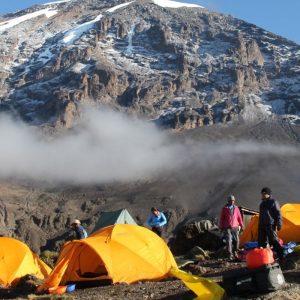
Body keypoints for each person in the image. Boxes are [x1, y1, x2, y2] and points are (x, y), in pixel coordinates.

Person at [258, 187, 284, 259]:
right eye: (262, 194)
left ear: (269, 194)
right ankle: (263, 259)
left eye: (264, 193)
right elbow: (260, 216)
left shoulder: (273, 202)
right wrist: (259, 226)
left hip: (271, 224)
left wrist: (279, 223)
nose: (263, 195)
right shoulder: (262, 204)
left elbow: (278, 213)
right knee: (261, 242)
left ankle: (281, 256)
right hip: (262, 225)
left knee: (274, 241)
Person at [219, 195, 244, 260]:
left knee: (237, 240)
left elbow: (239, 217)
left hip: (235, 227)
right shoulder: (224, 208)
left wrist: (242, 225)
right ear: (228, 201)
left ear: (234, 201)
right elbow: (221, 218)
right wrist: (221, 227)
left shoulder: (236, 208)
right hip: (227, 227)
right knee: (229, 241)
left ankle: (235, 252)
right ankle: (229, 255)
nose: (232, 202)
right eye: (230, 200)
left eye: (233, 200)